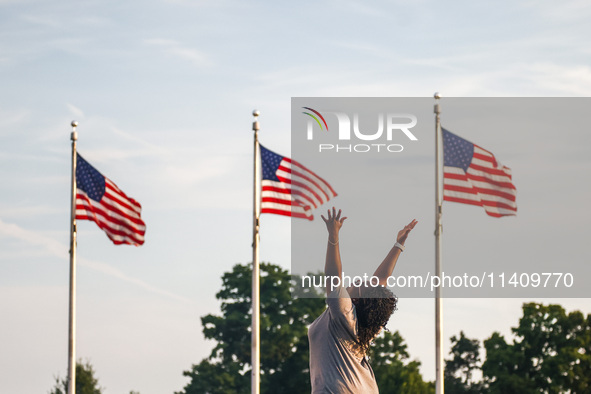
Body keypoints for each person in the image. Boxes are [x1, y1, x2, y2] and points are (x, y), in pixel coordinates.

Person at [308, 207, 418, 393]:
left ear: (357, 300)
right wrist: (398, 245)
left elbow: (333, 276)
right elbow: (380, 281)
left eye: (360, 283)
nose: (357, 280)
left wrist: (333, 236)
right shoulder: (367, 326)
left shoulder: (344, 314)